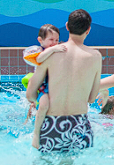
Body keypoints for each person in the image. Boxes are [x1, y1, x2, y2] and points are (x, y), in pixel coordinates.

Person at [27, 10, 103, 152]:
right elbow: (92, 98)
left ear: (67, 26)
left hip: (51, 123)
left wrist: (40, 101)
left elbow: (30, 94)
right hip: (80, 124)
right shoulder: (95, 56)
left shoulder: (50, 53)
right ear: (88, 29)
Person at [21, 24, 66, 120]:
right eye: (51, 39)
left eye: (56, 40)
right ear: (40, 40)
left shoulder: (57, 50)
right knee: (35, 103)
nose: (54, 43)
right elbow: (39, 59)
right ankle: (28, 121)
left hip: (51, 83)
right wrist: (52, 49)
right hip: (40, 83)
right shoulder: (40, 51)